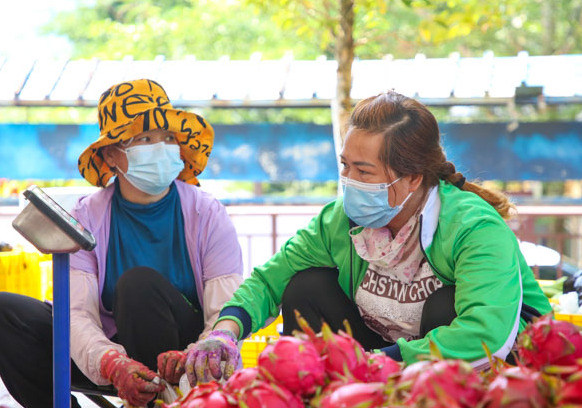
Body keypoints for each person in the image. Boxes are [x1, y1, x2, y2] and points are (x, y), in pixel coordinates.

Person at [184, 91, 551, 384]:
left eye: (364, 170)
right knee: (306, 286)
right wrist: (225, 332)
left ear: (412, 178)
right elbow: (271, 279)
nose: (350, 181)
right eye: (345, 166)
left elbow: (486, 333)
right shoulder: (340, 221)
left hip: (495, 365)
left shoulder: (473, 228)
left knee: (445, 305)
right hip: (384, 355)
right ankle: (315, 402)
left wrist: (377, 364)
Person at [0, 79, 243, 408]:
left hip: (181, 358)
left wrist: (197, 355)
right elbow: (77, 314)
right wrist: (112, 363)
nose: (160, 147)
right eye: (144, 139)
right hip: (108, 354)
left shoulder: (206, 213)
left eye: (166, 138)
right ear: (112, 155)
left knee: (137, 284)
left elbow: (224, 311)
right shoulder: (87, 216)